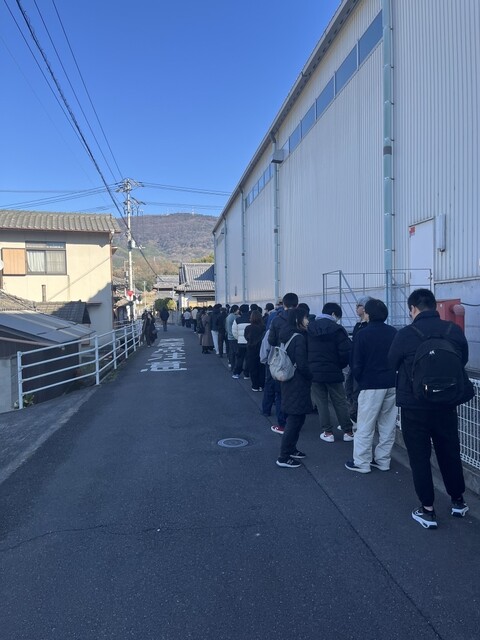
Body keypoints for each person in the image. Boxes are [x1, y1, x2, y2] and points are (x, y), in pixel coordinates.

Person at [388, 288, 470, 529]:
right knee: (449, 452)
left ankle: (427, 510)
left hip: (414, 406)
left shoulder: (405, 334)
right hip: (446, 403)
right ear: (434, 307)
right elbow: (462, 359)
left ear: (413, 309)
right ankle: (458, 501)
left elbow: (391, 363)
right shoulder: (452, 330)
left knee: (419, 457)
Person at [345, 299, 397, 473]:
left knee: (365, 425)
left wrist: (360, 380)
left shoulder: (363, 334)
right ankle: (383, 460)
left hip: (370, 384)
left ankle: (362, 462)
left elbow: (355, 362)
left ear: (368, 314)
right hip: (391, 383)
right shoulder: (393, 332)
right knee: (387, 425)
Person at [307, 302, 354, 443]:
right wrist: (339, 365)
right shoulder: (338, 329)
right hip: (334, 371)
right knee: (340, 401)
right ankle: (348, 431)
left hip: (314, 371)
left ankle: (327, 432)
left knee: (321, 402)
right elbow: (345, 352)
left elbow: (305, 349)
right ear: (333, 314)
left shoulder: (310, 327)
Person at [276, 307, 313, 468]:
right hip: (298, 381)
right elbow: (302, 363)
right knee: (294, 419)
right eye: (305, 318)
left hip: (288, 380)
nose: (307, 321)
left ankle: (291, 449)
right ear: (298, 320)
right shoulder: (299, 338)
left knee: (297, 417)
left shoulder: (286, 334)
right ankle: (284, 456)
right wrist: (311, 376)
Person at [345, 296, 372, 423]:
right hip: (353, 363)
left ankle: (356, 419)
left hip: (362, 365)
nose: (356, 308)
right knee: (349, 389)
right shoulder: (358, 324)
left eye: (358, 306)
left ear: (365, 308)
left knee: (357, 392)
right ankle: (353, 417)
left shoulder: (367, 326)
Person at [244, 310, 265, 391]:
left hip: (251, 349)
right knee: (261, 368)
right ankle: (261, 385)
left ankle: (255, 386)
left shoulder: (248, 328)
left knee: (253, 368)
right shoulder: (263, 327)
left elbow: (246, 337)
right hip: (261, 349)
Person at [232, 304, 251, 378]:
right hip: (250, 342)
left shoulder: (237, 320)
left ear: (241, 311)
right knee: (248, 359)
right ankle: (246, 374)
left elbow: (234, 332)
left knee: (240, 359)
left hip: (240, 342)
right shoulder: (251, 319)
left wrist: (238, 338)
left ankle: (236, 373)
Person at [225, 305, 239, 369]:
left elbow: (226, 327)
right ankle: (234, 365)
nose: (238, 311)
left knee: (231, 351)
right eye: (238, 309)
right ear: (234, 310)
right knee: (235, 352)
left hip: (229, 336)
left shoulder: (228, 316)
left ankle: (231, 363)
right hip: (234, 336)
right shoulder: (234, 317)